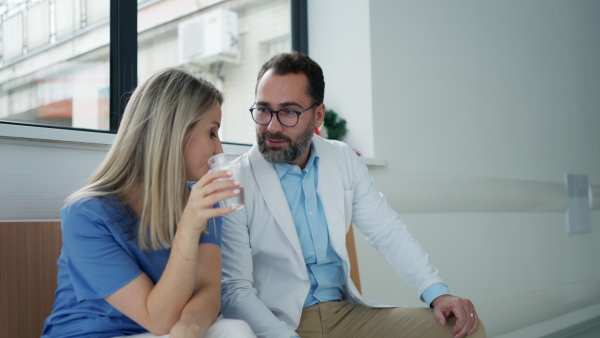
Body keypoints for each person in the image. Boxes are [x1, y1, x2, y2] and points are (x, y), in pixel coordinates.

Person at [219, 52, 486, 338]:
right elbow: (235, 290)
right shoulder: (234, 181)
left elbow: (387, 232)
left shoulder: (342, 159)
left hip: (346, 315)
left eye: (288, 112)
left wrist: (438, 294)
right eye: (263, 110)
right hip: (279, 323)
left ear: (318, 114)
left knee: (464, 331)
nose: (271, 126)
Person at [41, 68, 256, 338]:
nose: (219, 150)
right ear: (174, 131)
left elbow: (207, 290)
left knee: (234, 329)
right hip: (95, 333)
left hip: (166, 331)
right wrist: (188, 227)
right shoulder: (86, 215)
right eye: (212, 133)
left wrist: (188, 328)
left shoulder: (202, 200)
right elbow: (157, 319)